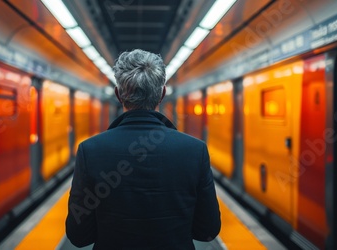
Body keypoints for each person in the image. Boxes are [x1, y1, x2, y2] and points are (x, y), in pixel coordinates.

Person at [66, 49, 221, 249]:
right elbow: (207, 230)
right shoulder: (195, 150)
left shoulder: (90, 150)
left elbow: (79, 236)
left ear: (118, 94)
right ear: (162, 94)